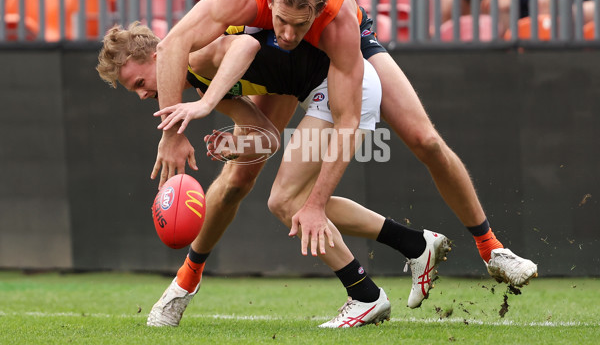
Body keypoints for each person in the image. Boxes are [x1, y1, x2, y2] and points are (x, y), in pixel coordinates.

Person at [145, 0, 537, 326]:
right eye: (280, 21)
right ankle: (185, 282)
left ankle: (491, 249)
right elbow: (172, 45)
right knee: (236, 182)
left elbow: (349, 120)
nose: (287, 33)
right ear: (269, 3)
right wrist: (172, 136)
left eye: (299, 25)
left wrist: (316, 204)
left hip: (330, 68)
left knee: (425, 140)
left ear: (315, 14)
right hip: (286, 77)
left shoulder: (338, 24)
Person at [97, 21, 452, 327]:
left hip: (342, 85)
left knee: (285, 201)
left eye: (139, 83)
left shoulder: (195, 54)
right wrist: (236, 149)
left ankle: (366, 295)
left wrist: (205, 105)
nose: (143, 95)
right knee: (296, 201)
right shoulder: (201, 81)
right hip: (324, 91)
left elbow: (246, 44)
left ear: (158, 57)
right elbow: (267, 138)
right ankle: (414, 243)